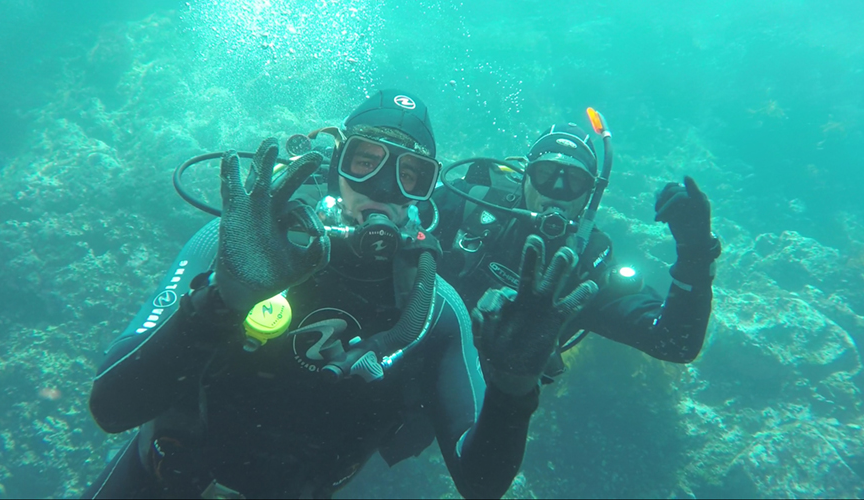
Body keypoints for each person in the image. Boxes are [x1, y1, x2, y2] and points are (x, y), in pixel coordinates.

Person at [83, 90, 580, 499]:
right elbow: (111, 406)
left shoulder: (433, 308)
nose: (384, 189)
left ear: (427, 192)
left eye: (409, 175)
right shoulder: (234, 248)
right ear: (334, 165)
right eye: (365, 162)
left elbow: (480, 483)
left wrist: (514, 390)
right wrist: (224, 297)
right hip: (162, 481)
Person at [432, 121, 721, 380]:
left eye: (575, 180)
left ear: (590, 194)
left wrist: (695, 253)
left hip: (492, 391)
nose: (557, 189)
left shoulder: (590, 264)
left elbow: (675, 344)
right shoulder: (468, 203)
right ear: (524, 176)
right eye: (545, 173)